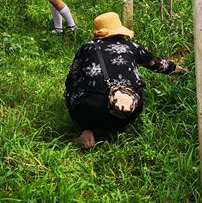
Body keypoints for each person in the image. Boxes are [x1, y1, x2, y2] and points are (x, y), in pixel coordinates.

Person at [64, 12, 187, 149]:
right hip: (130, 107)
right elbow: (158, 64)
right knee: (134, 92)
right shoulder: (131, 46)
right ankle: (123, 123)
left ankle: (87, 131)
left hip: (91, 111)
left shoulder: (86, 48)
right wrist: (181, 70)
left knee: (72, 87)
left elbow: (72, 77)